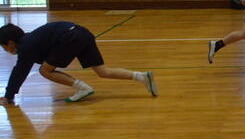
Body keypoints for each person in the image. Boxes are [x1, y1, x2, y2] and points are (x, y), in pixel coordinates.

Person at [0, 22, 157, 105]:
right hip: (82, 32)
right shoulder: (31, 39)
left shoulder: (26, 46)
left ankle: (83, 89)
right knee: (103, 71)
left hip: (70, 37)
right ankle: (143, 77)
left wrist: (8, 96)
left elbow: (19, 72)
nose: (4, 49)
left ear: (10, 42)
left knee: (45, 71)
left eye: (3, 46)